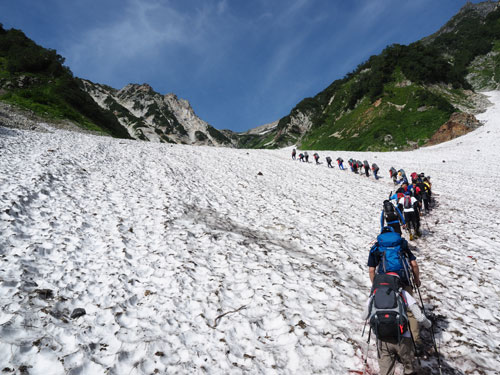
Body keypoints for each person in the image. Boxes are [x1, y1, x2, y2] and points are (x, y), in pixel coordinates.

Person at [365, 273, 432, 375]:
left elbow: (363, 316)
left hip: (383, 339)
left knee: (385, 371)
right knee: (409, 368)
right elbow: (419, 316)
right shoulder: (403, 294)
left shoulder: (375, 294)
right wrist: (429, 324)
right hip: (403, 338)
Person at [368, 227, 423, 347]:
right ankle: (416, 342)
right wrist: (416, 279)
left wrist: (375, 286)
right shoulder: (402, 244)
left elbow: (372, 270)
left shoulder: (377, 247)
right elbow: (413, 264)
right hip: (404, 279)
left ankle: (390, 337)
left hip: (386, 283)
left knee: (389, 307)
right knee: (409, 311)